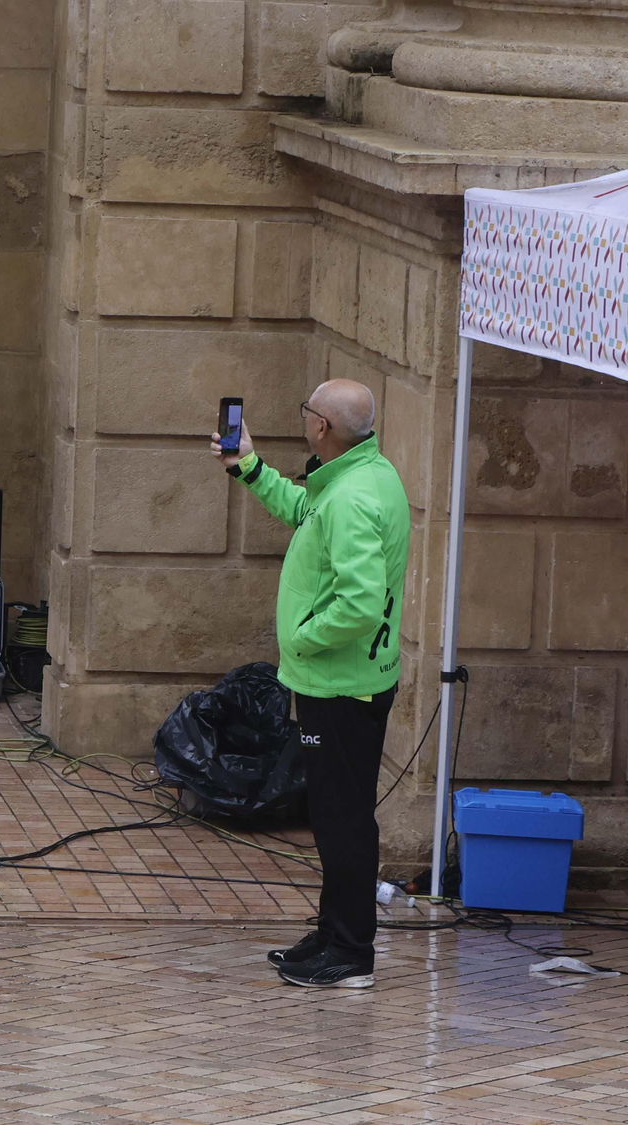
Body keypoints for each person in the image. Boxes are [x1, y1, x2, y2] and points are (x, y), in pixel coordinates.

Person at [214, 380, 409, 989]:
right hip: (348, 681)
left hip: (341, 686)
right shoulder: (365, 476)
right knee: (336, 814)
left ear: (321, 426)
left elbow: (357, 605)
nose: (302, 421)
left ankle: (351, 954)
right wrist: (248, 467)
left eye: (306, 413)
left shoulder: (351, 498)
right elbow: (305, 512)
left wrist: (299, 639)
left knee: (341, 820)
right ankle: (333, 933)